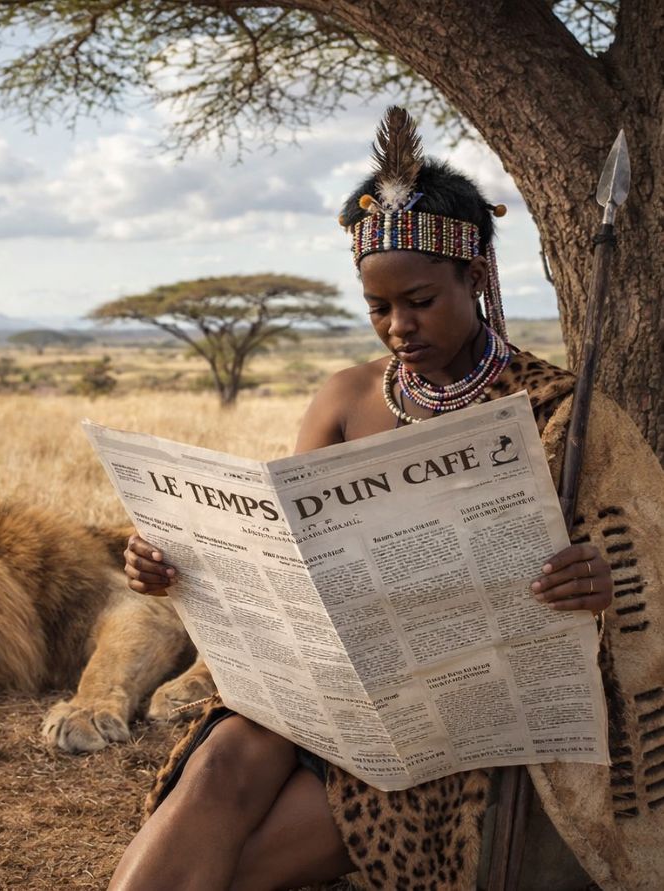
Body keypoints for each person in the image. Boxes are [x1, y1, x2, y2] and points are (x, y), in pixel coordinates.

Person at [108, 108, 664, 891]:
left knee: (235, 866)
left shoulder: (555, 412)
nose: (397, 326)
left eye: (420, 300)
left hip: (448, 721)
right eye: (377, 308)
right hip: (324, 690)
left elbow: (636, 579)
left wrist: (595, 586)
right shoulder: (343, 397)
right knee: (217, 767)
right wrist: (176, 563)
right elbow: (281, 540)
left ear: (474, 279)